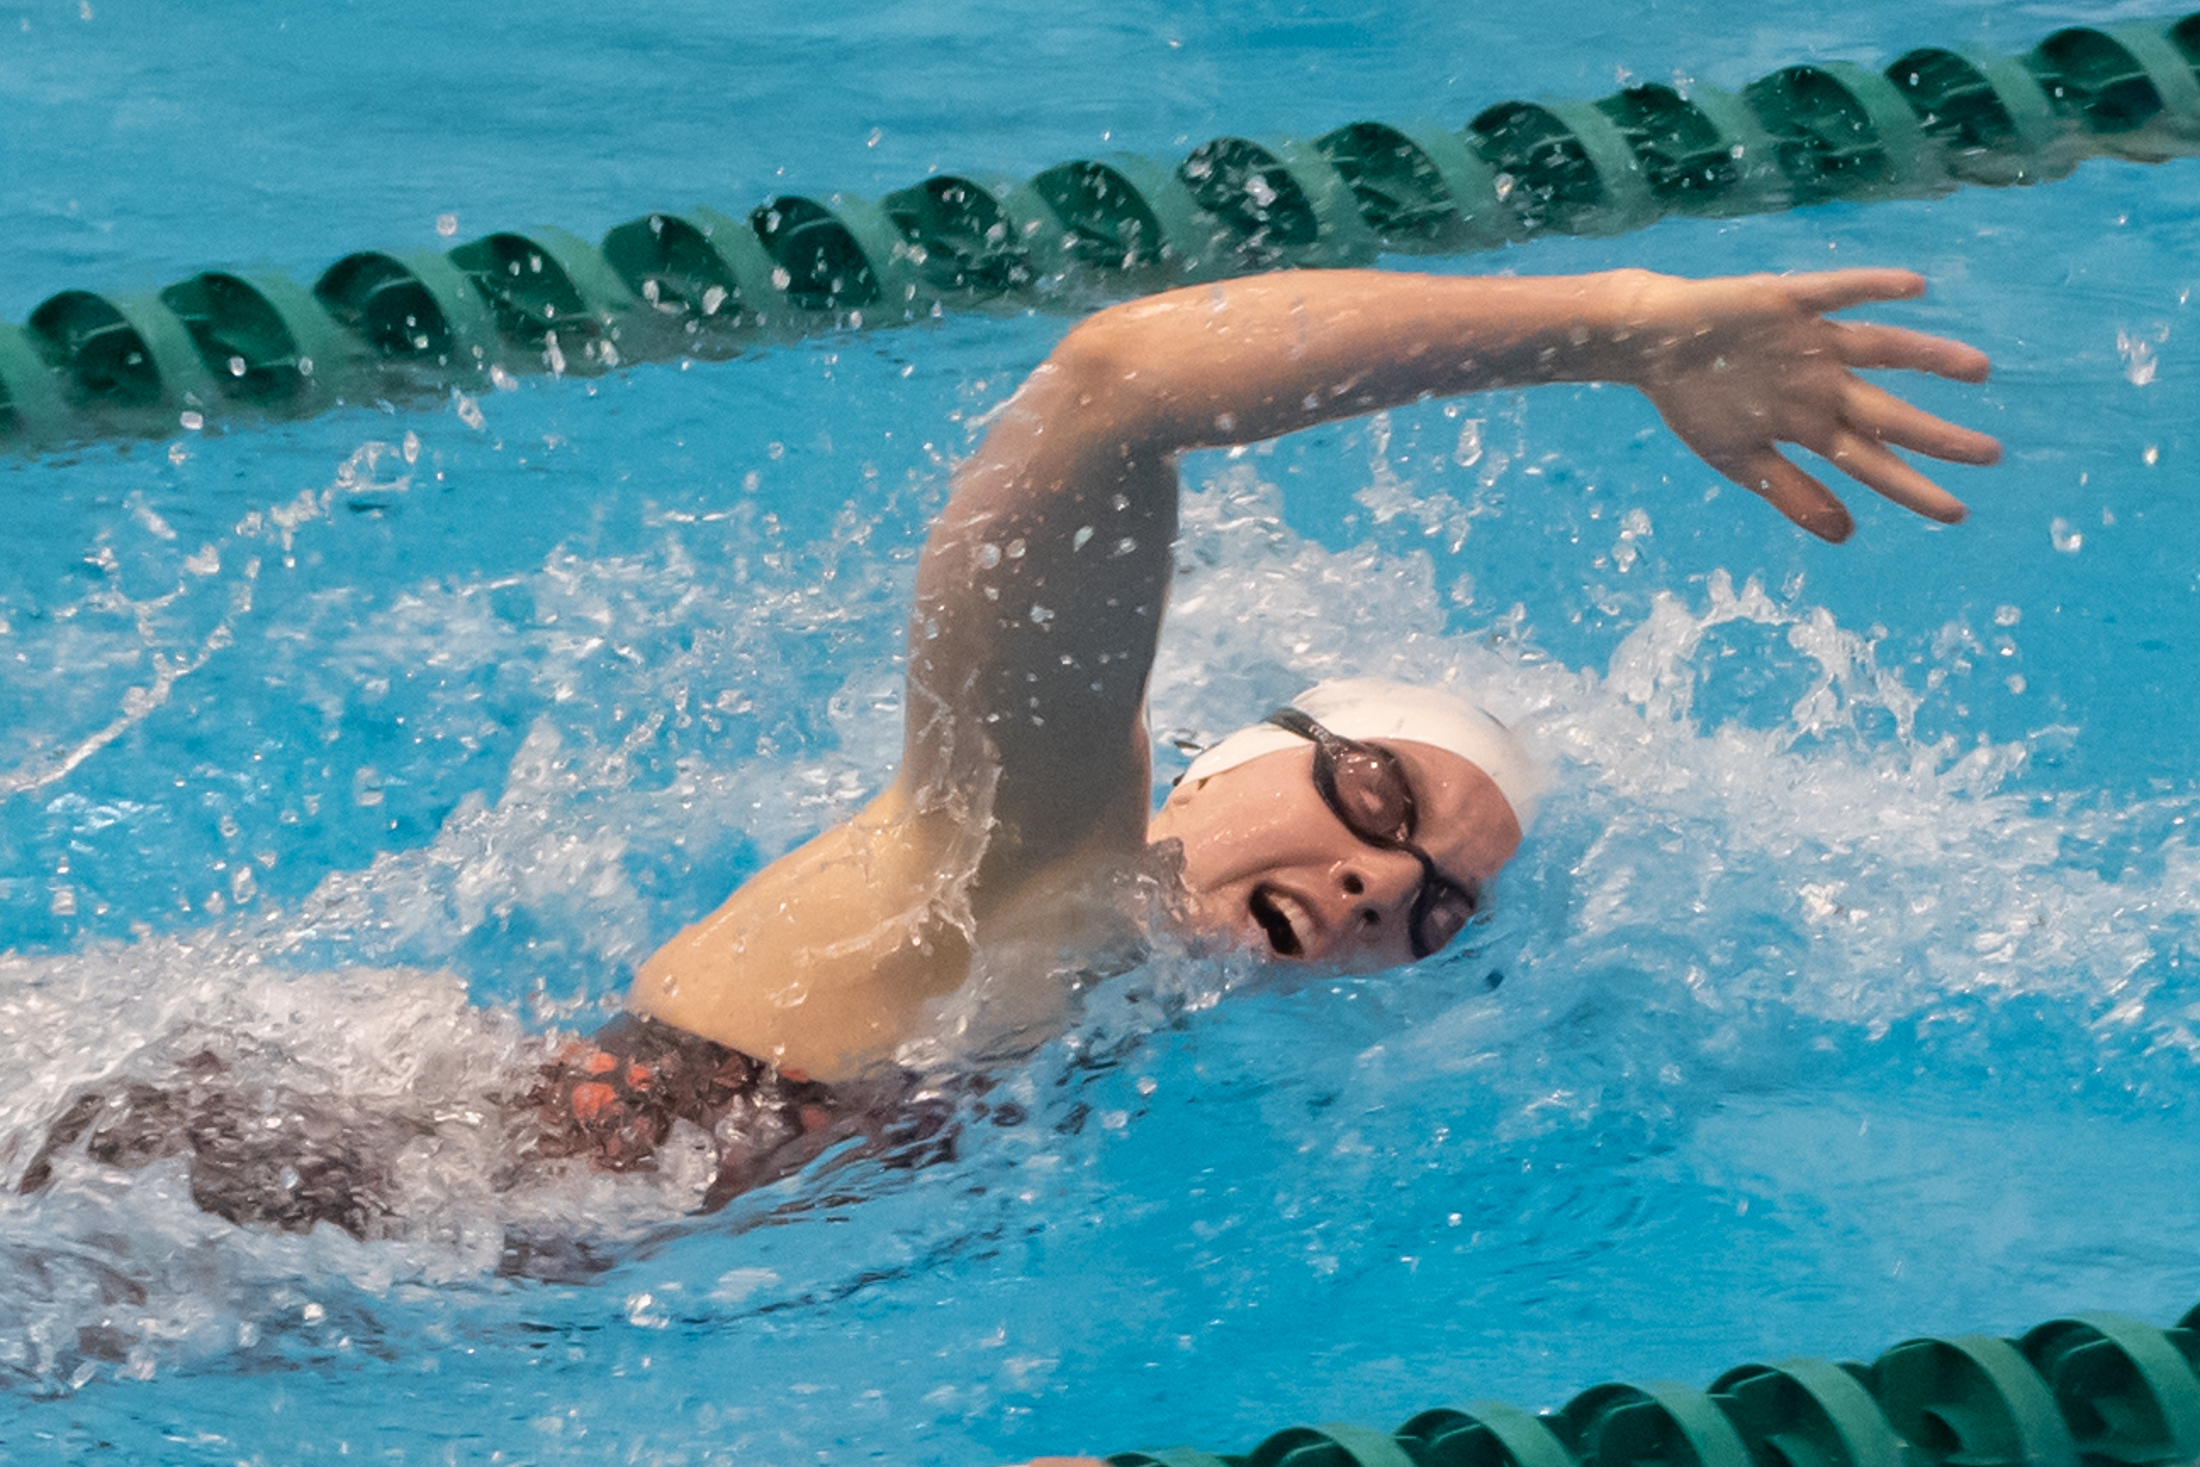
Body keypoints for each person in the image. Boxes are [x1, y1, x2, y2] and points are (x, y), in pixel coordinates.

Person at [22, 267, 1999, 1236]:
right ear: (1228, 753)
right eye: (1376, 800)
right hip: (215, 1170)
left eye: (1430, 899)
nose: (1380, 877)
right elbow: (1112, 388)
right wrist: (1618, 324)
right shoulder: (1039, 844)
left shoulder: (1120, 1002)